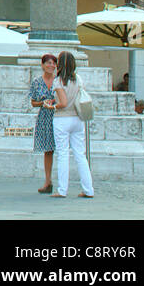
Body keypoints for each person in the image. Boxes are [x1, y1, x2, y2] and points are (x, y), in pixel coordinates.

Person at [50, 51, 94, 199]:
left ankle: (62, 190)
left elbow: (62, 103)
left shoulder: (58, 81)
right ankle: (89, 190)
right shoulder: (78, 79)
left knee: (63, 154)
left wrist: (51, 106)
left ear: (60, 64)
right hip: (78, 118)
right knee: (80, 155)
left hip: (62, 119)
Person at [29, 52, 59, 193]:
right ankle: (48, 181)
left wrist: (54, 101)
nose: (51, 65)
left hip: (59, 114)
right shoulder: (36, 81)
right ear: (42, 65)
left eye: (53, 63)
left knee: (60, 148)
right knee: (48, 150)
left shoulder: (58, 80)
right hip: (45, 116)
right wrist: (43, 102)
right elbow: (33, 102)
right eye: (48, 62)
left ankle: (60, 181)